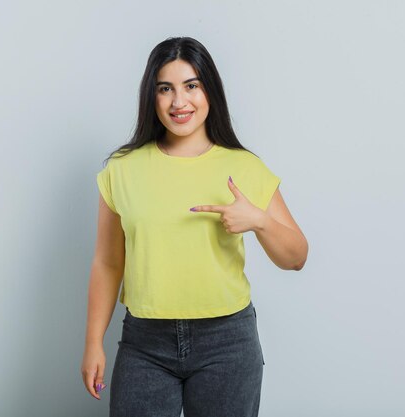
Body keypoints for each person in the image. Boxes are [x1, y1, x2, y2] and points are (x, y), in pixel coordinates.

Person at [80, 36, 309, 417]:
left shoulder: (244, 167)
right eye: (165, 88)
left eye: (191, 86)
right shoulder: (121, 170)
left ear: (210, 91)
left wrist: (260, 222)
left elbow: (297, 258)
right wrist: (92, 342)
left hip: (227, 343)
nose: (178, 102)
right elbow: (107, 263)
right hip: (144, 344)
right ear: (151, 97)